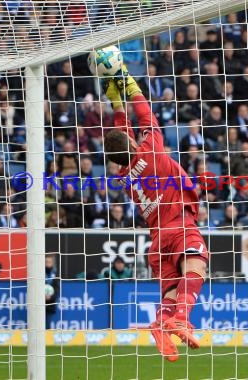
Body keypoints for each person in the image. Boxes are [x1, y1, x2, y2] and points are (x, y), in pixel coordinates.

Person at [102, 66, 208, 362]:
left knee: (172, 289)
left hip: (158, 240)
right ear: (134, 143)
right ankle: (181, 320)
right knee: (197, 266)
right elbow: (146, 115)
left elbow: (122, 136)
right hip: (180, 226)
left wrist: (115, 99)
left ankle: (162, 323)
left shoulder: (124, 176)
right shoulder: (150, 151)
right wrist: (129, 84)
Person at [45, 255, 60, 329]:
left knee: (47, 325)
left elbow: (57, 289)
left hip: (50, 304)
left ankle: (46, 340)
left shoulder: (55, 274)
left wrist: (51, 296)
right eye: (46, 262)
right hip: (39, 303)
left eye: (49, 262)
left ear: (52, 263)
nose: (47, 263)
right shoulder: (39, 273)